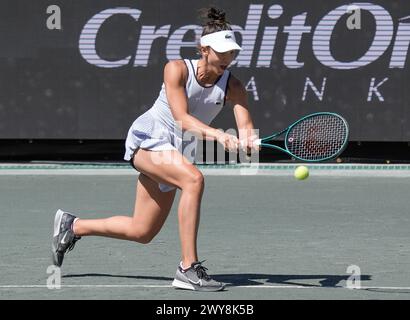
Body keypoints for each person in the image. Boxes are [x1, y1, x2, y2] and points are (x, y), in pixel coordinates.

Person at [51, 7, 258, 292]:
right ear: (204, 49)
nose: (227, 58)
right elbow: (182, 119)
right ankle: (187, 268)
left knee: (142, 231)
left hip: (178, 153)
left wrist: (247, 143)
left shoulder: (234, 87)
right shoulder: (176, 69)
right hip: (149, 139)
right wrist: (220, 136)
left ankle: (73, 226)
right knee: (193, 180)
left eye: (231, 51)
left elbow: (246, 128)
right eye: (221, 51)